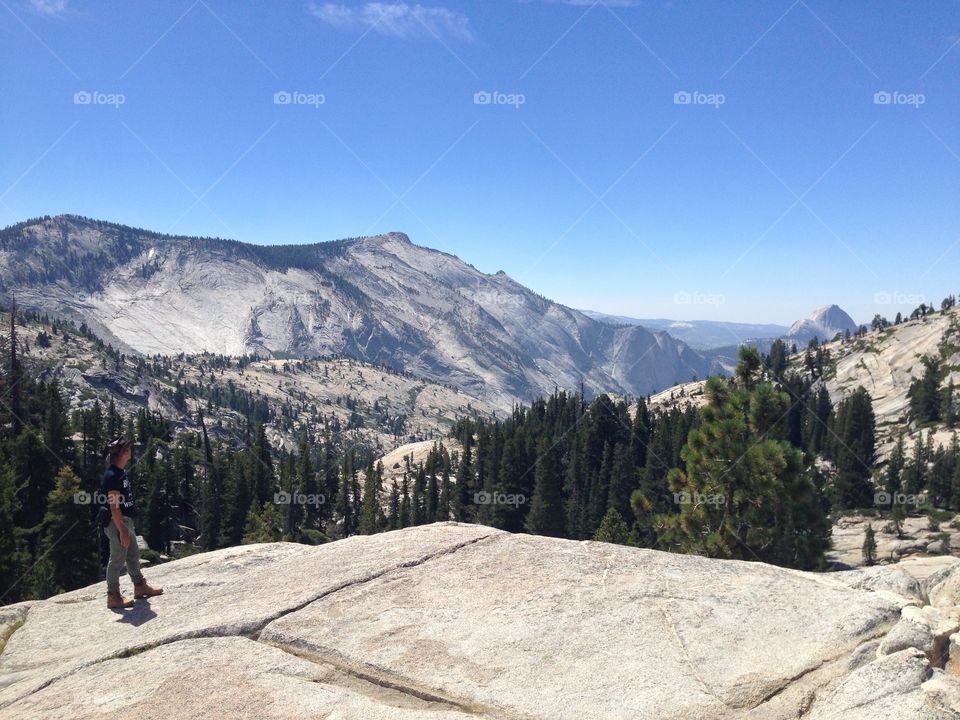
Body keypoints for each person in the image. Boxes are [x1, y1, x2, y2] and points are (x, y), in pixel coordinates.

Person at [99, 437, 164, 609]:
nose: (130, 451)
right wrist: (122, 530)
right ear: (122, 453)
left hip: (125, 521)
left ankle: (140, 586)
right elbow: (114, 507)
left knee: (133, 553)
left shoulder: (120, 472)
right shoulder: (112, 476)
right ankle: (113, 596)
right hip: (117, 523)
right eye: (127, 449)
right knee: (117, 559)